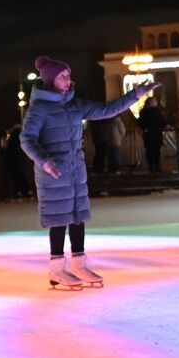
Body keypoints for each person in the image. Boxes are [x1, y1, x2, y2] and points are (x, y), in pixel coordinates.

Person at [20, 56, 158, 290]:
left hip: (75, 170)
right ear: (51, 79)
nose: (68, 80)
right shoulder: (40, 109)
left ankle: (79, 263)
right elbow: (26, 139)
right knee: (58, 219)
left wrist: (135, 94)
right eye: (63, 76)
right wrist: (44, 161)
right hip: (52, 172)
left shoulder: (75, 104)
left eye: (68, 75)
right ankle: (56, 268)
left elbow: (107, 110)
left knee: (77, 217)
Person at [0, 123, 32, 199]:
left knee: (16, 178)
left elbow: (8, 151)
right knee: (22, 177)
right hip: (21, 161)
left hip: (14, 161)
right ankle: (28, 192)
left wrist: (3, 149)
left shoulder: (13, 139)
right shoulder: (23, 138)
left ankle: (19, 193)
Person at [138, 96, 166, 173]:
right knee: (156, 151)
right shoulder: (158, 112)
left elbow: (140, 123)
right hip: (156, 134)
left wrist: (145, 128)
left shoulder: (144, 112)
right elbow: (163, 122)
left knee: (150, 151)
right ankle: (157, 167)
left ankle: (151, 167)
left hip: (148, 134)